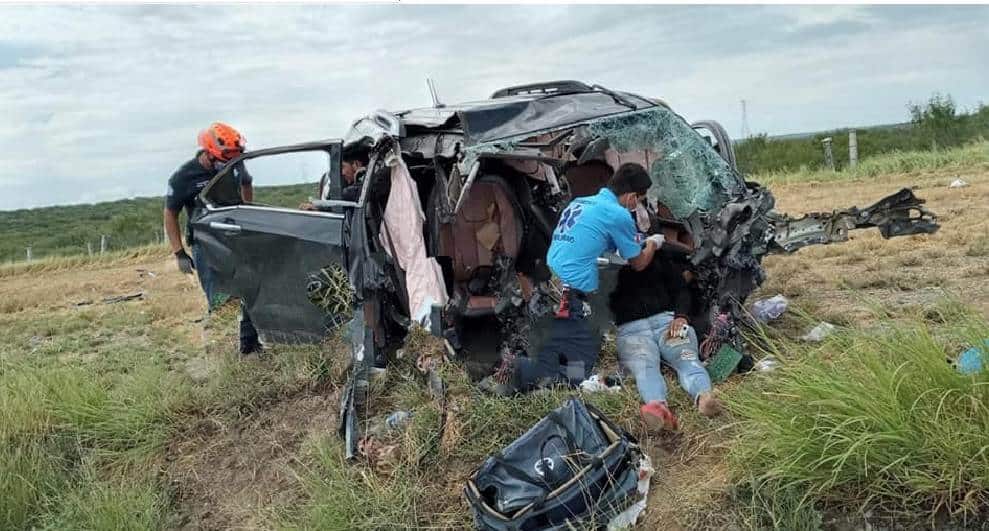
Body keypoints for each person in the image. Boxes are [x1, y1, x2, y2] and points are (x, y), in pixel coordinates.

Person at [505, 163, 662, 390]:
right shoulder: (618, 214)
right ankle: (518, 368)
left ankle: (533, 362)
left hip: (548, 287)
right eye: (638, 200)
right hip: (570, 297)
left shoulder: (579, 203)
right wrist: (653, 243)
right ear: (630, 197)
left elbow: (589, 239)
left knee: (569, 344)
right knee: (576, 373)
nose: (636, 205)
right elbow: (638, 263)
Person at [164, 122, 262, 355]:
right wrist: (179, 253)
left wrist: (246, 211)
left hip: (235, 239)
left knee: (248, 291)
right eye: (225, 159)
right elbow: (170, 214)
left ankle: (250, 347)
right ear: (208, 153)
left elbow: (247, 183)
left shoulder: (235, 165)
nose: (229, 163)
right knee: (221, 300)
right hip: (206, 245)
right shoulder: (183, 176)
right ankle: (220, 352)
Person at [608, 255, 722, 431]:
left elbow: (681, 290)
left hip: (667, 322)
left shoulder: (660, 260)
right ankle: (658, 408)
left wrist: (681, 316)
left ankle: (704, 397)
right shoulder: (605, 265)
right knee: (645, 367)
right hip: (631, 330)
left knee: (685, 356)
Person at [299, 148, 368, 210]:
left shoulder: (365, 186)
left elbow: (346, 196)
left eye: (342, 167)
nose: (342, 173)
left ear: (356, 164)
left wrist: (317, 207)